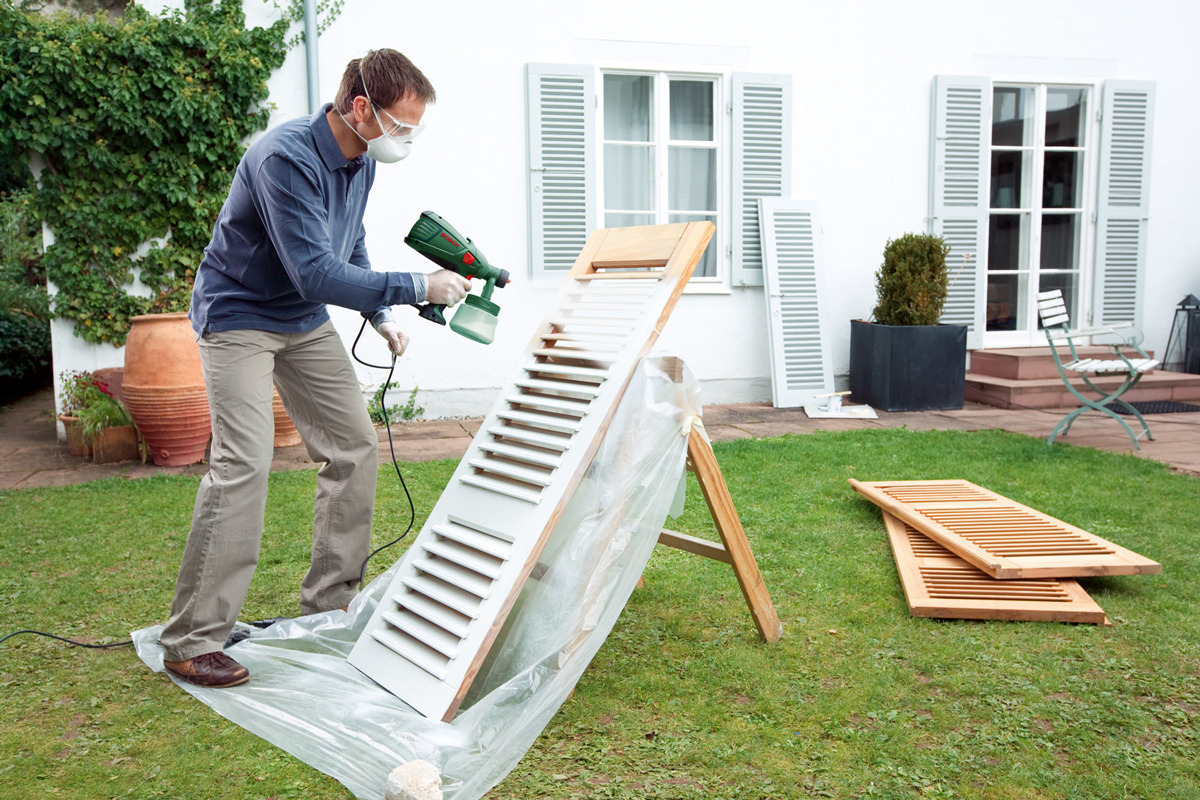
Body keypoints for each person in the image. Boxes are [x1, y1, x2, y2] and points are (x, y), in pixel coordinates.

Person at [159, 49, 471, 689]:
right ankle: (192, 640)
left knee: (354, 446)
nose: (406, 138)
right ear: (361, 108)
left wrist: (381, 311)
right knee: (242, 463)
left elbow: (346, 243)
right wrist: (417, 284)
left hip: (300, 319)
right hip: (239, 314)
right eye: (401, 125)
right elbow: (315, 271)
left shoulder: (359, 161)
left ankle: (330, 607)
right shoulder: (285, 158)